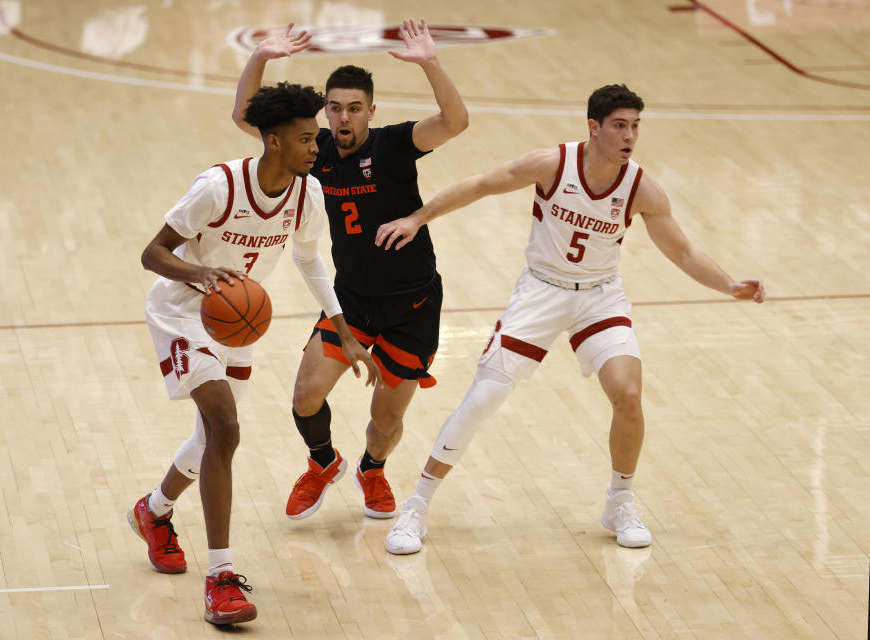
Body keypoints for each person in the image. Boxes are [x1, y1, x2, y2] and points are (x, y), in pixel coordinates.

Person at [376, 84, 766, 554]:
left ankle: (619, 501)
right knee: (483, 399)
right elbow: (480, 185)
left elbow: (681, 250)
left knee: (629, 396)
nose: (629, 136)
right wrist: (418, 218)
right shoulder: (552, 164)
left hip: (600, 297)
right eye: (620, 125)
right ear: (594, 127)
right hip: (542, 290)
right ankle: (417, 506)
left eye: (635, 126)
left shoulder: (641, 187)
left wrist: (728, 285)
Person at [127, 82, 378, 626]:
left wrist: (344, 329)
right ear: (272, 142)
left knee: (209, 437)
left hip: (234, 326)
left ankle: (155, 511)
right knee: (225, 427)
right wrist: (199, 273)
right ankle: (221, 577)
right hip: (181, 311)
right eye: (306, 139)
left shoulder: (307, 195)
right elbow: (152, 253)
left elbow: (310, 262)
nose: (318, 148)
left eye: (317, 139)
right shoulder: (217, 187)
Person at [231, 20, 469, 520]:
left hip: (414, 303)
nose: (343, 117)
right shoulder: (309, 151)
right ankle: (323, 463)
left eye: (354, 108)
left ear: (370, 112)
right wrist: (259, 59)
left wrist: (430, 61)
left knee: (385, 420)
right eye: (334, 107)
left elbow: (455, 121)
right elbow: (244, 118)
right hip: (351, 300)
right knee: (305, 395)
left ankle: (372, 469)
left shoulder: (393, 144)